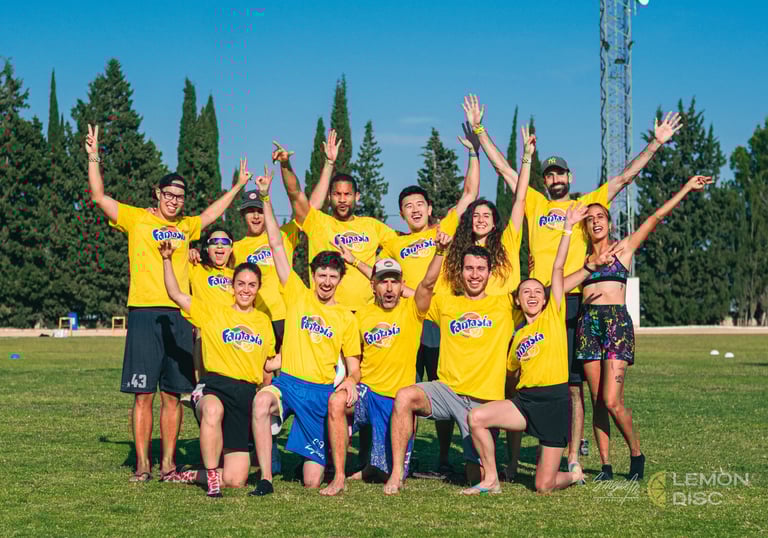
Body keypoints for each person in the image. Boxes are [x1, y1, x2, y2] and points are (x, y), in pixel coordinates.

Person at [465, 94, 684, 470]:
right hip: (534, 299)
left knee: (573, 386)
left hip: (571, 301)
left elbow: (626, 177)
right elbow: (505, 171)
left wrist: (656, 143)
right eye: (549, 174)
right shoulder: (533, 202)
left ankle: (571, 456)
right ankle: (514, 456)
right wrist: (481, 131)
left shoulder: (586, 204)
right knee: (518, 376)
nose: (554, 179)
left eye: (560, 174)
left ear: (570, 178)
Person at [84, 124, 254, 482]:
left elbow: (211, 215)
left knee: (174, 395)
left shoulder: (188, 227)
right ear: (157, 194)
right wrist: (93, 154)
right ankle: (143, 464)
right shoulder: (137, 219)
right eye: (169, 195)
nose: (174, 201)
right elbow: (99, 196)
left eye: (180, 196)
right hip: (145, 313)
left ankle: (169, 465)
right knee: (143, 393)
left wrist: (237, 187)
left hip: (180, 314)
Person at [342, 120, 480, 476]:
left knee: (444, 389)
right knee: (404, 391)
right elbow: (378, 275)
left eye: (419, 204)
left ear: (429, 207)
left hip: (439, 321)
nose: (414, 210)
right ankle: (401, 455)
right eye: (407, 206)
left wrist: (473, 151)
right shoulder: (395, 242)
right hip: (404, 321)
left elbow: (468, 195)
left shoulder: (442, 230)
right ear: (400, 213)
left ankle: (447, 456)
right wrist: (355, 261)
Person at [566, 175, 714, 481]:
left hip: (616, 323)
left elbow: (656, 216)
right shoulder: (581, 258)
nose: (596, 222)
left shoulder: (623, 249)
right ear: (585, 226)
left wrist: (686, 187)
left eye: (601, 217)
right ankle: (605, 466)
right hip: (588, 323)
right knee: (596, 401)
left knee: (612, 401)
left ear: (609, 222)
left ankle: (636, 452)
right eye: (590, 218)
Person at [462, 202, 593, 495]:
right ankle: (491, 478)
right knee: (477, 418)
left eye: (537, 292)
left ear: (545, 299)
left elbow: (558, 268)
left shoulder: (554, 316)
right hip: (524, 404)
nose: (532, 296)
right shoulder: (518, 336)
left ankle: (571, 476)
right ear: (518, 302)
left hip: (554, 405)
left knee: (543, 486)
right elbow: (510, 375)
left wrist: (568, 227)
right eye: (526, 293)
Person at [249, 169, 361, 497]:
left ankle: (306, 454)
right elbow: (275, 243)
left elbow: (353, 364)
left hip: (319, 394)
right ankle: (266, 478)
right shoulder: (296, 293)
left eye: (332, 276)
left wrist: (352, 380)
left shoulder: (345, 317)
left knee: (312, 480)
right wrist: (267, 199)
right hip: (288, 384)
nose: (326, 281)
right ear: (312, 275)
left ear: (340, 279)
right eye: (321, 275)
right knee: (261, 404)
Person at [319, 231, 451, 496]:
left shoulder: (412, 310)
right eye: (382, 282)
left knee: (384, 470)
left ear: (402, 285)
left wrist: (439, 251)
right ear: (373, 286)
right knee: (335, 401)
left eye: (394, 282)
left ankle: (392, 473)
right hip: (369, 394)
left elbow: (426, 284)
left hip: (398, 402)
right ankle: (340, 476)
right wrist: (350, 381)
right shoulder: (362, 316)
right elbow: (354, 361)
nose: (388, 287)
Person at [384, 243, 519, 495]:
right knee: (404, 396)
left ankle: (483, 465)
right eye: (469, 268)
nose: (475, 274)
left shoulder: (505, 304)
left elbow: (543, 293)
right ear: (460, 271)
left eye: (480, 269)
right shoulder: (446, 303)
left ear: (490, 273)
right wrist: (439, 252)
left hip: (483, 401)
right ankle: (396, 473)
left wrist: (589, 267)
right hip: (447, 391)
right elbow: (421, 289)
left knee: (475, 477)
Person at [442, 123, 536, 481]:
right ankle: (481, 460)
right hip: (476, 342)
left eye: (487, 215)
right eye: (476, 215)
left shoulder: (509, 243)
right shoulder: (460, 255)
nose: (481, 219)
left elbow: (521, 199)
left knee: (513, 397)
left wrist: (526, 159)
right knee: (484, 400)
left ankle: (511, 462)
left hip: (508, 333)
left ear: (495, 222)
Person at [158, 242, 278, 497]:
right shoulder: (214, 312)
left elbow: (268, 364)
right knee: (213, 409)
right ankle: (212, 478)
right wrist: (167, 260)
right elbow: (175, 294)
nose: (246, 289)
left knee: (236, 479)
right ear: (232, 287)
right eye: (241, 284)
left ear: (258, 289)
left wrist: (294, 358)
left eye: (251, 285)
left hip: (244, 395)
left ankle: (186, 474)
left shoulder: (263, 321)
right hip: (214, 387)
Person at [273, 130, 398, 310]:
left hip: (367, 314)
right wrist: (285, 165)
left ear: (357, 197)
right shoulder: (318, 222)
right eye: (337, 194)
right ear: (329, 197)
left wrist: (379, 260)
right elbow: (294, 194)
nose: (342, 199)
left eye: (347, 194)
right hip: (326, 312)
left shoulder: (372, 225)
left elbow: (400, 245)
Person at [231, 188, 300, 353]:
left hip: (285, 316)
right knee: (261, 373)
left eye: (260, 211)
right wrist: (195, 253)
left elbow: (310, 207)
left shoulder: (284, 235)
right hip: (256, 318)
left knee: (287, 372)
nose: (256, 216)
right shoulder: (235, 248)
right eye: (250, 211)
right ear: (242, 215)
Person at [187, 228, 236, 382]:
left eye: (225, 242)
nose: (220, 246)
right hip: (206, 334)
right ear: (207, 249)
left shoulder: (237, 275)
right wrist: (188, 253)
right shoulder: (196, 269)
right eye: (214, 242)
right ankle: (201, 390)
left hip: (231, 334)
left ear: (231, 249)